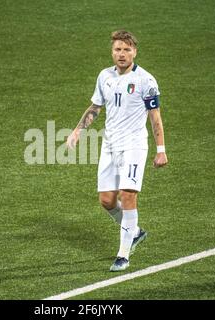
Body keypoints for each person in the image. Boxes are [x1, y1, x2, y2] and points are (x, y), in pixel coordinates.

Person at [67, 30, 168, 271]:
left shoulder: (146, 80)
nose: (121, 54)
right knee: (106, 200)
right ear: (112, 52)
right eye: (117, 50)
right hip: (110, 145)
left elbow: (155, 118)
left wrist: (161, 149)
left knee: (127, 195)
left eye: (126, 49)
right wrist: (77, 130)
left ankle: (123, 255)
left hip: (134, 145)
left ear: (135, 51)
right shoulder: (105, 76)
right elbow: (95, 107)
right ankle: (135, 232)